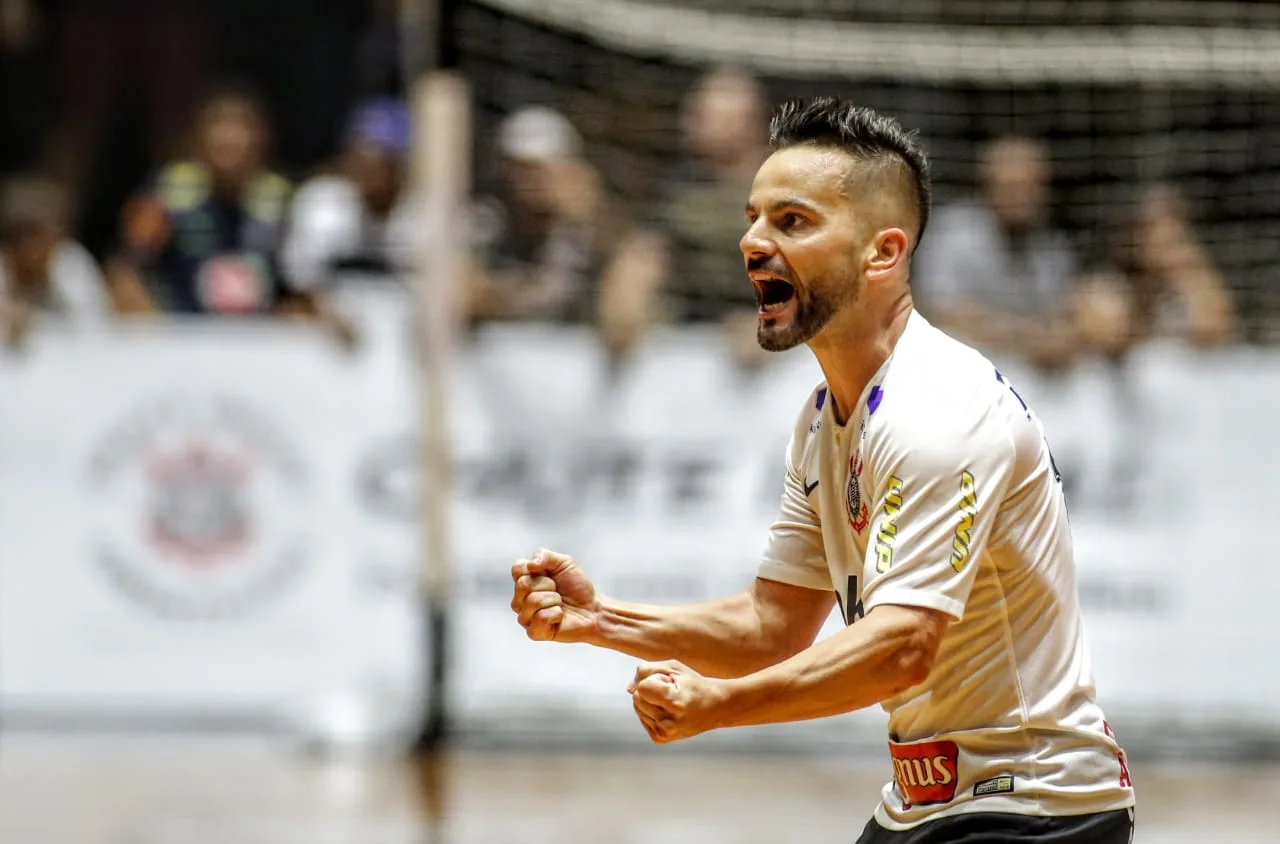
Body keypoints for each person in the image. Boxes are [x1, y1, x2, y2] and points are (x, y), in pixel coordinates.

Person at [510, 98, 1136, 843]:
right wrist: (601, 620)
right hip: (929, 803)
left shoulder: (935, 410)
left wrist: (720, 704)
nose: (751, 241)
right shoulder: (824, 416)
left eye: (791, 222)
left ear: (882, 253)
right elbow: (774, 624)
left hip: (1034, 810)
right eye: (753, 217)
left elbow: (901, 648)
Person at [913, 136, 1079, 376]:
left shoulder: (1050, 249)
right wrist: (1028, 337)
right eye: (1010, 187)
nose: (1020, 197)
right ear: (987, 185)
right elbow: (941, 313)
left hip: (1036, 371)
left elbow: (1062, 317)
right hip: (966, 365)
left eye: (1029, 186)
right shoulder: (955, 232)